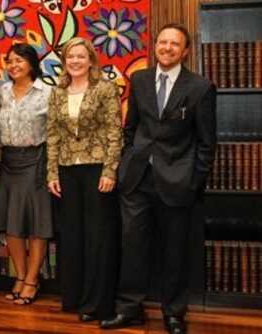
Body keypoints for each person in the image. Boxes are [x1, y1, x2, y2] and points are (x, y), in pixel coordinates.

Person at [100, 24, 217, 334]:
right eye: (162, 42)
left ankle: (174, 313)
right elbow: (130, 127)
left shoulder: (200, 87)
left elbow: (207, 142)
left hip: (178, 182)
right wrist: (127, 163)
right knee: (133, 246)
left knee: (174, 251)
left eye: (174, 44)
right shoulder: (138, 80)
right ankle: (129, 308)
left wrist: (194, 182)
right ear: (155, 46)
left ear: (186, 50)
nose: (167, 48)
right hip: (137, 180)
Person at [45, 37, 122, 321]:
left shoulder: (105, 88)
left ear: (91, 59)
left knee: (98, 238)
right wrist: (52, 172)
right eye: (70, 57)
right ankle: (74, 298)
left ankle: (97, 304)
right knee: (72, 236)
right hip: (67, 170)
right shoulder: (57, 92)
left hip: (97, 169)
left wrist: (110, 170)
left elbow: (115, 132)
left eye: (80, 56)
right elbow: (52, 134)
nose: (75, 61)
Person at [0, 44, 53, 305]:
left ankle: (32, 279)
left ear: (31, 63)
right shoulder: (0, 92)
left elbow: (55, 131)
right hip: (8, 162)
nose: (14, 65)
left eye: (19, 60)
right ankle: (21, 275)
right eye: (9, 61)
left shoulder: (48, 92)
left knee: (37, 225)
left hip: (36, 159)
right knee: (12, 225)